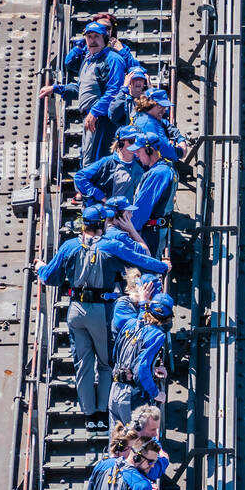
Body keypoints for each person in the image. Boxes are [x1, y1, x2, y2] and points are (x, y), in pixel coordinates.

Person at [37, 205, 168, 430]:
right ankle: (104, 411)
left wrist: (40, 267)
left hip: (76, 309)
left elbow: (50, 277)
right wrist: (162, 266)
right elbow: (141, 260)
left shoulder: (69, 246)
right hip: (101, 310)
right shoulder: (109, 244)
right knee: (107, 363)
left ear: (83, 224)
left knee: (82, 362)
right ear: (101, 224)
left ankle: (90, 416)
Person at [39, 21, 129, 167]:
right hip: (90, 118)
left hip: (103, 119)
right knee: (88, 161)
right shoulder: (88, 60)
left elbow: (114, 90)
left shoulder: (112, 59)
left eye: (96, 36)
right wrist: (56, 89)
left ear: (105, 39)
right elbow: (81, 88)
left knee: (98, 163)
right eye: (89, 37)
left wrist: (95, 112)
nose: (92, 41)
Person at [108, 293, 174, 427]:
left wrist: (152, 368)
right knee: (137, 442)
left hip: (115, 390)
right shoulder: (157, 335)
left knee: (117, 443)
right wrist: (156, 393)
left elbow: (115, 354)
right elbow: (140, 369)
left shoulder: (130, 323)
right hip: (131, 395)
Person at [129, 135, 179, 257]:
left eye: (139, 150)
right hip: (155, 229)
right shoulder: (166, 168)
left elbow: (142, 209)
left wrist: (130, 231)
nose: (136, 154)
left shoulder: (158, 173)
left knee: (147, 271)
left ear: (149, 150)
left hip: (151, 232)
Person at [72, 127, 144, 204]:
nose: (136, 145)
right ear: (120, 143)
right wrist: (100, 196)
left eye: (138, 141)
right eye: (131, 141)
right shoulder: (107, 162)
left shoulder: (141, 162)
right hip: (108, 212)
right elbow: (79, 177)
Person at [132, 88, 189, 161]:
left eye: (165, 107)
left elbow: (165, 124)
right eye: (160, 106)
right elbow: (166, 150)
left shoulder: (146, 117)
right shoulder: (148, 123)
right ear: (148, 105)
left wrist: (179, 137)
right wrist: (181, 151)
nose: (164, 110)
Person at [109, 65, 151, 129]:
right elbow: (113, 115)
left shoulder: (149, 99)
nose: (138, 82)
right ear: (129, 81)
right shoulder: (122, 98)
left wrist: (151, 88)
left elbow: (161, 114)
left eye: (141, 79)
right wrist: (124, 88)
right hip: (127, 136)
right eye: (135, 79)